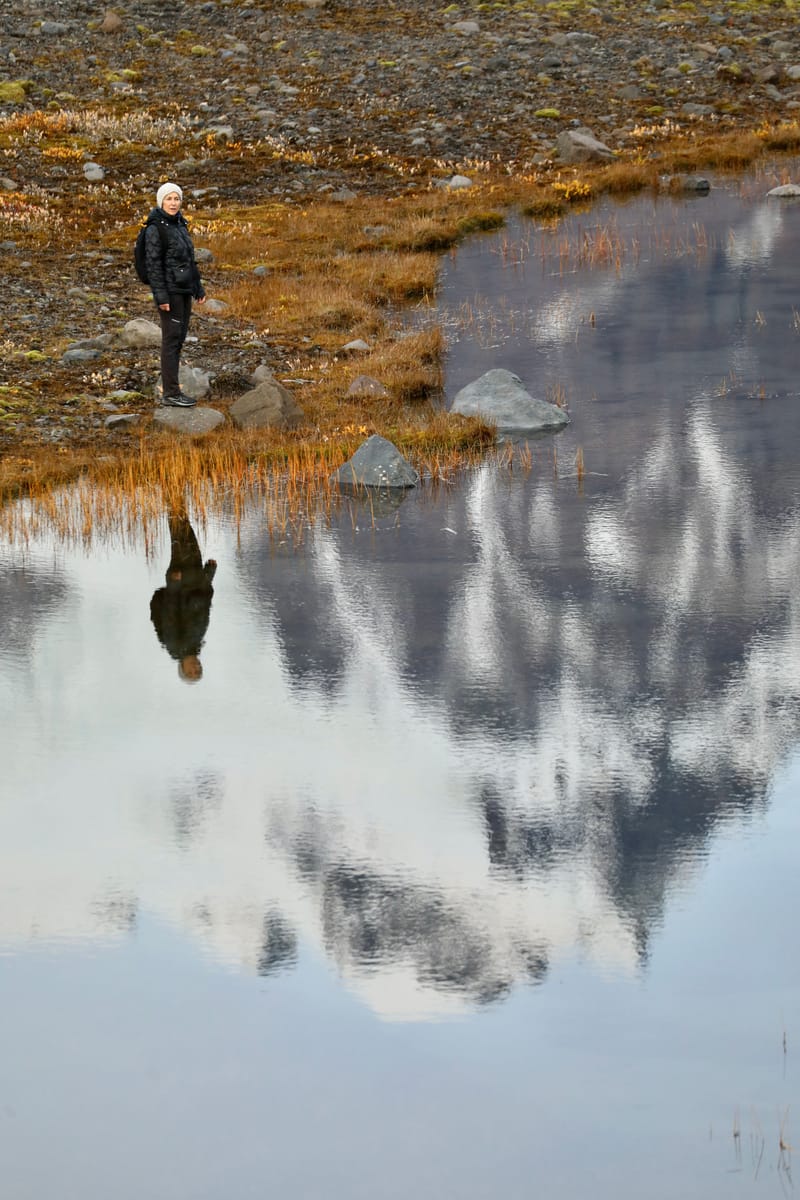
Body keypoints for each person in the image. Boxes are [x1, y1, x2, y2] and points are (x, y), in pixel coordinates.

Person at [144, 182, 206, 408]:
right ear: (161, 201)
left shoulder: (180, 225)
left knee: (178, 339)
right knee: (171, 341)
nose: (173, 203)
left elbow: (189, 260)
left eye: (176, 199)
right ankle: (170, 393)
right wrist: (161, 297)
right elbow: (153, 266)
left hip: (184, 291)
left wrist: (198, 288)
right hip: (170, 293)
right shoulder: (155, 229)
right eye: (169, 199)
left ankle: (173, 390)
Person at [150, 508, 217, 682]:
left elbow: (170, 612)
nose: (196, 668)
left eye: (191, 672)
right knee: (185, 528)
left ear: (182, 668)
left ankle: (170, 493)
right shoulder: (196, 643)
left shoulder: (175, 644)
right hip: (195, 577)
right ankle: (174, 492)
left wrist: (174, 584)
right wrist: (209, 574)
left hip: (181, 579)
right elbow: (204, 605)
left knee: (179, 531)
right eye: (198, 671)